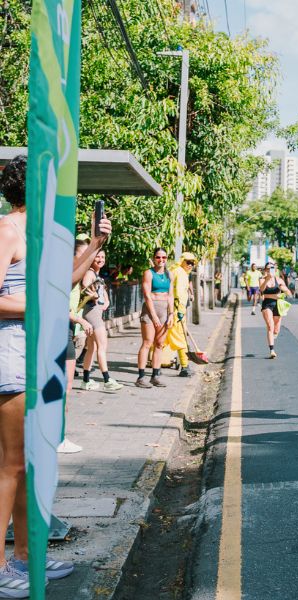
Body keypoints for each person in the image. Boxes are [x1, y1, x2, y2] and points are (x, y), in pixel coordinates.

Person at [0, 156, 110, 593]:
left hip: (37, 354)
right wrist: (38, 305)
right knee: (9, 465)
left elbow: (60, 284)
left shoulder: (36, 235)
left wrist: (95, 245)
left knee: (30, 463)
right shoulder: (7, 230)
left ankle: (26, 559)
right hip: (11, 354)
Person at [60, 235, 94, 454]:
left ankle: (60, 436)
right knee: (62, 388)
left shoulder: (75, 278)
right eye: (83, 256)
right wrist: (80, 319)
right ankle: (57, 437)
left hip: (68, 330)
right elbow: (57, 304)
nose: (86, 261)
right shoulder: (63, 275)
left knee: (67, 388)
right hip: (59, 330)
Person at [80, 250, 123, 391]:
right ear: (92, 258)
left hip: (94, 312)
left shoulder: (97, 274)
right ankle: (107, 380)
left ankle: (86, 381)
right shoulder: (90, 273)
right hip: (92, 313)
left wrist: (106, 300)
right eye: (97, 256)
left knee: (91, 348)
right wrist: (93, 296)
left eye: (103, 257)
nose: (100, 259)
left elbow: (102, 290)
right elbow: (85, 285)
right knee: (102, 345)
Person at [136, 248, 174, 388]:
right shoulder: (148, 273)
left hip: (164, 311)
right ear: (154, 258)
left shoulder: (169, 274)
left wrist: (171, 314)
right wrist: (153, 315)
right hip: (150, 310)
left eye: (164, 257)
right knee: (147, 342)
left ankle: (155, 376)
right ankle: (141, 377)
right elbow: (147, 296)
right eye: (158, 257)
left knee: (159, 344)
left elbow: (171, 295)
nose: (161, 260)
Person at [167, 252, 196, 377]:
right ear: (182, 261)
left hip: (174, 309)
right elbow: (178, 293)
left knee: (162, 339)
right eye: (188, 262)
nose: (191, 265)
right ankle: (185, 367)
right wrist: (180, 310)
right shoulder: (180, 273)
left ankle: (156, 367)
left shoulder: (178, 271)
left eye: (193, 263)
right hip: (175, 310)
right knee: (180, 338)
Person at [258, 260, 292, 359]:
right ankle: (272, 350)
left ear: (275, 269)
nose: (270, 270)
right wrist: (267, 279)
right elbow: (262, 290)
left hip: (278, 304)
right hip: (267, 304)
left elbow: (288, 293)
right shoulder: (262, 279)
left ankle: (273, 336)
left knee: (276, 330)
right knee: (270, 326)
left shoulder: (279, 280)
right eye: (268, 268)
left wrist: (285, 291)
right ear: (265, 270)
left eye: (271, 268)